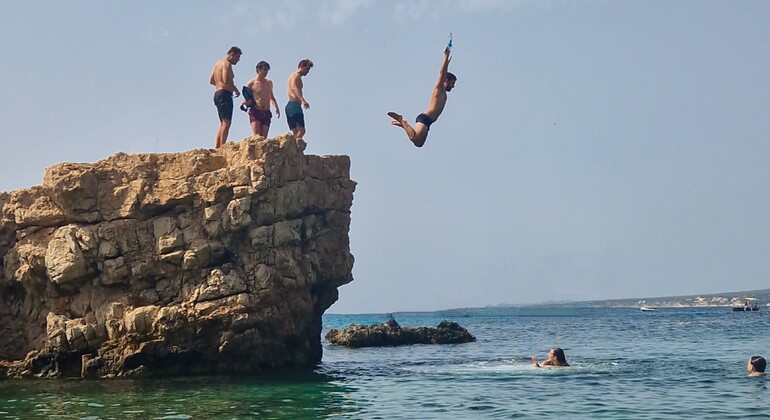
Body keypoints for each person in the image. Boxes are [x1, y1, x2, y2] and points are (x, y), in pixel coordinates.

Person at [388, 47, 457, 148]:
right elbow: (442, 73)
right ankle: (401, 120)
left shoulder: (443, 92)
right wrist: (445, 57)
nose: (453, 86)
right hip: (425, 118)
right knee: (414, 138)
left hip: (429, 122)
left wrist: (447, 63)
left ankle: (403, 125)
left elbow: (444, 72)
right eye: (453, 83)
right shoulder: (439, 88)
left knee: (419, 144)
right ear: (446, 80)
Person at [210, 46, 242, 149]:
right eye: (237, 57)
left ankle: (217, 147)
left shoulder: (217, 63)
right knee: (227, 122)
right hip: (225, 94)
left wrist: (219, 85)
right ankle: (222, 146)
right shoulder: (227, 64)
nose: (238, 60)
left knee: (223, 122)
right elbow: (225, 79)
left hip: (217, 94)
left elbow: (211, 80)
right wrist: (235, 89)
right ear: (232, 54)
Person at [243, 61, 280, 138]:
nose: (266, 72)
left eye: (267, 70)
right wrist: (246, 102)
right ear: (258, 70)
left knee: (264, 137)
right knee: (257, 136)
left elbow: (271, 97)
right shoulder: (251, 83)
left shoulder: (269, 83)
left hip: (266, 111)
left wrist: (276, 107)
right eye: (264, 70)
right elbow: (244, 99)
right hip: (256, 111)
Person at [285, 59, 313, 139]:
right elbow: (294, 87)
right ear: (302, 66)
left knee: (296, 132)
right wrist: (302, 100)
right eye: (307, 69)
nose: (308, 71)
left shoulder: (293, 76)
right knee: (302, 130)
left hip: (291, 106)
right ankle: (292, 146)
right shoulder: (296, 75)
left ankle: (293, 148)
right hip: (294, 105)